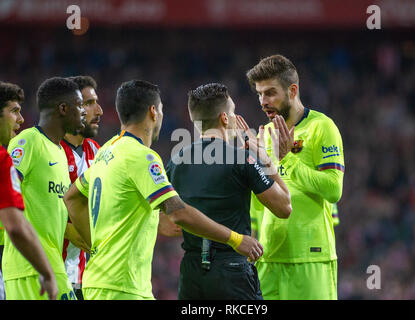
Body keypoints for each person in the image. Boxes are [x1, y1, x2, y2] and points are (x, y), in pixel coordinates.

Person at [63, 80, 263, 300]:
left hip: (98, 280)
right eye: (161, 110)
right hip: (123, 287)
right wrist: (235, 239)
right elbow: (178, 213)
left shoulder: (107, 150)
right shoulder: (142, 156)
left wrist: (93, 245)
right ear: (153, 112)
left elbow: (72, 197)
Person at [166, 83, 291, 300]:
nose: (235, 119)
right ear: (224, 118)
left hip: (191, 273)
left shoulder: (174, 162)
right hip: (231, 270)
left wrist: (201, 223)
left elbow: (167, 226)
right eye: (233, 113)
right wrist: (264, 157)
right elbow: (284, 207)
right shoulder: (242, 159)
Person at [245, 54, 345, 300]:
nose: (262, 101)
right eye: (259, 94)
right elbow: (259, 201)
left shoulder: (322, 127)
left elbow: (334, 189)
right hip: (268, 258)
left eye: (270, 93)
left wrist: (287, 158)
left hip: (309, 257)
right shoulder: (264, 135)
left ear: (292, 90)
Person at [4, 77, 86, 300]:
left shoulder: (59, 152)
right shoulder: (28, 141)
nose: (83, 113)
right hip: (30, 267)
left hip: (49, 264)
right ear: (62, 108)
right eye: (79, 106)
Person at [0, 81, 58, 300]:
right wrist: (46, 271)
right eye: (14, 111)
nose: (21, 120)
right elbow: (15, 226)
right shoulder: (2, 160)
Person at [61, 75, 103, 300]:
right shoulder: (46, 150)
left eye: (96, 102)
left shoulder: (97, 152)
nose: (99, 110)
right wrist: (62, 229)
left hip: (84, 278)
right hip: (46, 275)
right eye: (89, 103)